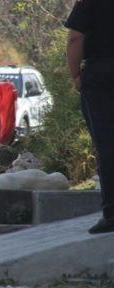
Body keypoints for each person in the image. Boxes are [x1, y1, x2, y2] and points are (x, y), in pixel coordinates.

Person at [66, 0, 114, 234]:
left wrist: (75, 74)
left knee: (106, 144)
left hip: (101, 75)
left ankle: (112, 213)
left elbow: (76, 36)